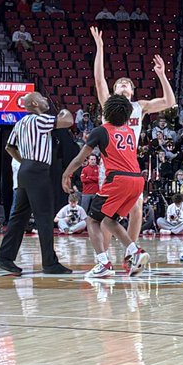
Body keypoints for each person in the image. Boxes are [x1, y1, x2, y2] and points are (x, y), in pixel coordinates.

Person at [91, 24, 176, 257]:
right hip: (109, 165)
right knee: (108, 215)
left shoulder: (141, 107)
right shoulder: (109, 104)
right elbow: (99, 80)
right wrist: (100, 48)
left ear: (132, 90)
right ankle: (104, 258)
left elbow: (169, 101)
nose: (123, 85)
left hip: (130, 164)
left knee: (137, 208)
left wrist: (161, 74)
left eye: (126, 83)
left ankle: (131, 253)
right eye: (119, 84)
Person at [62, 95, 151, 280]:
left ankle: (103, 263)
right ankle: (134, 250)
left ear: (105, 112)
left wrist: (66, 174)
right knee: (109, 220)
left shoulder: (100, 131)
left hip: (118, 179)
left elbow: (80, 159)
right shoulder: (128, 131)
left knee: (92, 221)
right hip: (137, 180)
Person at [0, 91, 75, 276]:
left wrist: (25, 162)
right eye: (42, 98)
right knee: (44, 217)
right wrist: (62, 111)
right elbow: (67, 121)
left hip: (25, 170)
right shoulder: (39, 120)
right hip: (38, 170)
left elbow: (9, 147)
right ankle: (50, 263)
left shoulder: (20, 123)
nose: (46, 99)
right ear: (34, 104)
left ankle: (5, 257)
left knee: (19, 217)